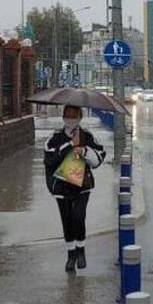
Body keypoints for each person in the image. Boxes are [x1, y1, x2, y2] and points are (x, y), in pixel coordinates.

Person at [44, 105, 106, 272]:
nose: (71, 118)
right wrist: (71, 145)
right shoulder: (55, 138)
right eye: (68, 115)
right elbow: (50, 159)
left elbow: (99, 159)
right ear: (63, 116)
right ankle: (71, 255)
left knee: (79, 217)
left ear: (80, 116)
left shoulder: (87, 136)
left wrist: (84, 150)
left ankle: (81, 250)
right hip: (61, 187)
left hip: (82, 187)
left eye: (74, 115)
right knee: (67, 219)